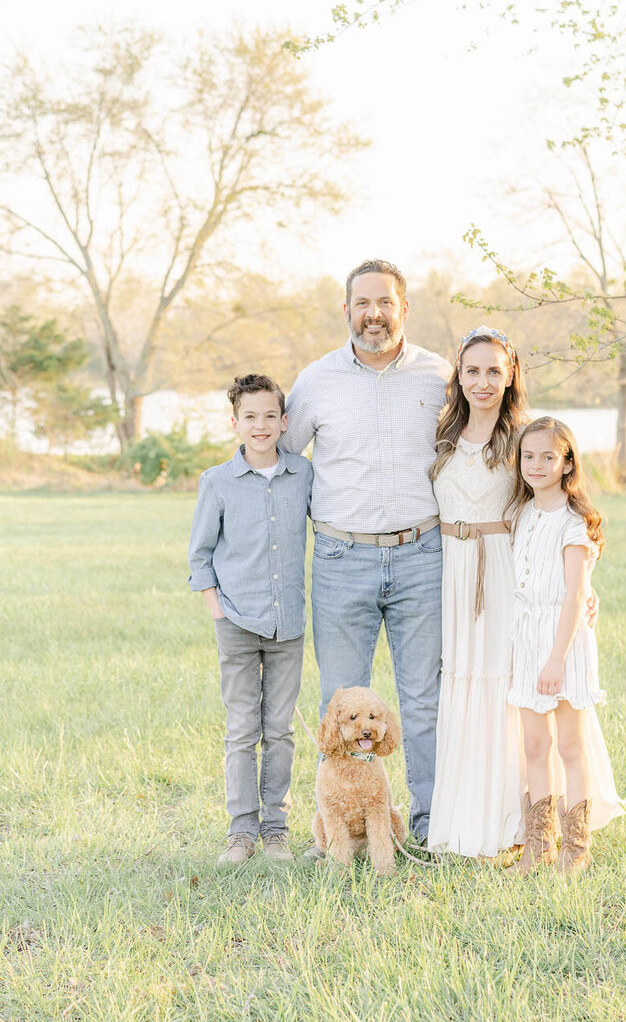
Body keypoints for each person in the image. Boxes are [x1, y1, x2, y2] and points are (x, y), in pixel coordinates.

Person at [280, 259, 450, 843]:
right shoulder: (317, 381)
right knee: (340, 708)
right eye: (362, 303)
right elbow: (277, 456)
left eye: (385, 303)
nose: (373, 314)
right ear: (346, 310)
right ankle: (342, 834)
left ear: (404, 309)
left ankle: (428, 827)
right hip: (339, 558)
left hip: (421, 554)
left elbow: (482, 453)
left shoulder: (440, 377)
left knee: (424, 698)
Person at [188, 373, 313, 866]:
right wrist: (217, 609)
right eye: (249, 416)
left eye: (268, 416)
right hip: (237, 621)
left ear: (284, 422)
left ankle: (276, 830)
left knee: (279, 729)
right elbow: (200, 555)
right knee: (242, 729)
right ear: (235, 423)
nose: (259, 425)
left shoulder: (303, 474)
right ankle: (241, 832)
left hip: (288, 624)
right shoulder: (216, 481)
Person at [506, 415, 626, 875]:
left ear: (567, 462)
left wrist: (556, 659)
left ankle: (576, 845)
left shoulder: (574, 521)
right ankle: (540, 843)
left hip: (563, 643)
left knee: (570, 747)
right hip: (527, 640)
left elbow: (576, 593)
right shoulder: (523, 513)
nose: (536, 465)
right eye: (528, 456)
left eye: (548, 457)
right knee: (534, 745)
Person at [427, 325, 528, 859]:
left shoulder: (524, 439)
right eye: (472, 370)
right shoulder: (441, 436)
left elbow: (559, 511)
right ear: (459, 377)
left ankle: (508, 822)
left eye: (494, 370)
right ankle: (458, 820)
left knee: (499, 685)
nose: (483, 381)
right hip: (449, 571)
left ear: (510, 375)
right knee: (458, 686)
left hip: (501, 574)